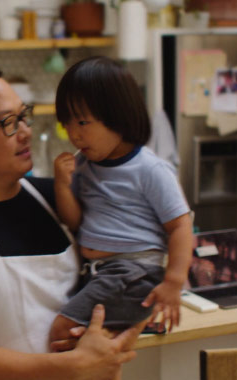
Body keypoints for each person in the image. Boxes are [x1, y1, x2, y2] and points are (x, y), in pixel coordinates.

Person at [0, 65, 147, 380]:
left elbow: (137, 263)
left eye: (23, 116)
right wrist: (72, 366)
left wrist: (115, 334)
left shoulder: (61, 198)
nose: (25, 131)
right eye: (7, 122)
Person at [50, 56, 193, 347]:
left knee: (61, 331)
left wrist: (173, 282)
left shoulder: (149, 169)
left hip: (132, 272)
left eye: (82, 122)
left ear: (118, 117)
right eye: (67, 123)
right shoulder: (85, 165)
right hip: (99, 273)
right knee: (79, 336)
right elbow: (75, 221)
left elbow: (180, 226)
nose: (74, 135)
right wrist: (62, 186)